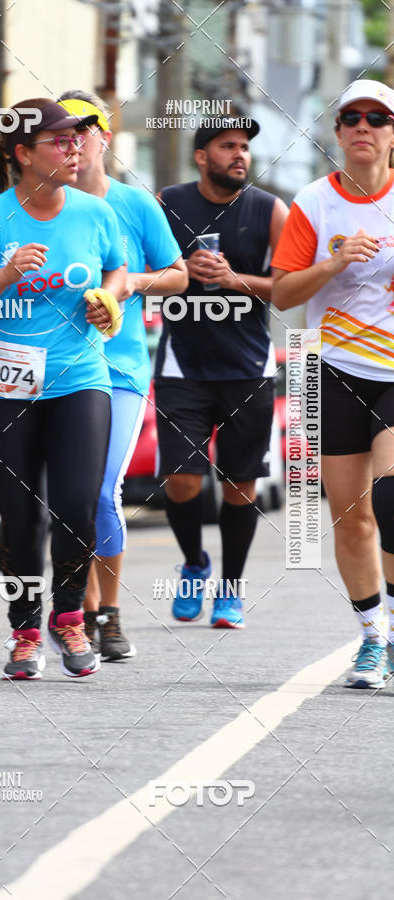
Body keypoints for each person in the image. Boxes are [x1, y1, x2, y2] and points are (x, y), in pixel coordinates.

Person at [0, 98, 127, 680]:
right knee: (21, 516)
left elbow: (118, 268)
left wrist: (110, 297)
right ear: (24, 154)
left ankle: (69, 616)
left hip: (80, 377)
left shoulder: (95, 213)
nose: (75, 149)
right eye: (60, 141)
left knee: (77, 504)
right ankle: (24, 632)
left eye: (78, 140)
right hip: (5, 386)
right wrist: (5, 275)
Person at [272, 79, 394, 689]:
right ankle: (373, 636)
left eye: (378, 117)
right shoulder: (314, 203)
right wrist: (336, 261)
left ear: (392, 133)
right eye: (352, 118)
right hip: (334, 369)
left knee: (391, 499)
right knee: (351, 517)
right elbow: (281, 292)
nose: (364, 126)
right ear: (339, 132)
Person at [58, 90, 188, 660]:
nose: (74, 139)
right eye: (62, 131)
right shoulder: (40, 207)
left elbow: (179, 275)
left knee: (102, 491)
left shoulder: (136, 205)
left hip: (120, 369)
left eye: (85, 127)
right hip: (57, 370)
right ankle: (84, 611)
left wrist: (132, 282)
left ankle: (108, 611)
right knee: (67, 496)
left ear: (105, 137)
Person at [156, 115, 289, 628]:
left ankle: (231, 590)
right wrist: (178, 273)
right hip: (182, 366)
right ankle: (194, 563)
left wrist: (234, 279)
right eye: (227, 146)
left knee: (240, 485)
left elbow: (290, 288)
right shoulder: (169, 203)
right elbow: (138, 270)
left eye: (244, 147)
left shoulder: (269, 209)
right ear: (201, 156)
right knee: (180, 479)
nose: (239, 155)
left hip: (247, 368)